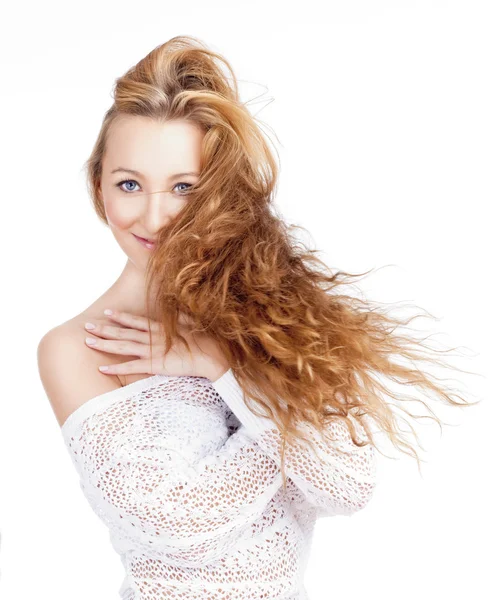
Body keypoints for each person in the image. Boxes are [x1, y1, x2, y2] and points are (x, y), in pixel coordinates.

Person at [36, 35, 480, 599]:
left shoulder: (280, 316)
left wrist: (223, 366)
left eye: (183, 188)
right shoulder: (77, 347)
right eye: (129, 184)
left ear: (224, 192)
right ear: (98, 186)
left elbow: (347, 485)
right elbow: (178, 527)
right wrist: (279, 412)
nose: (154, 216)